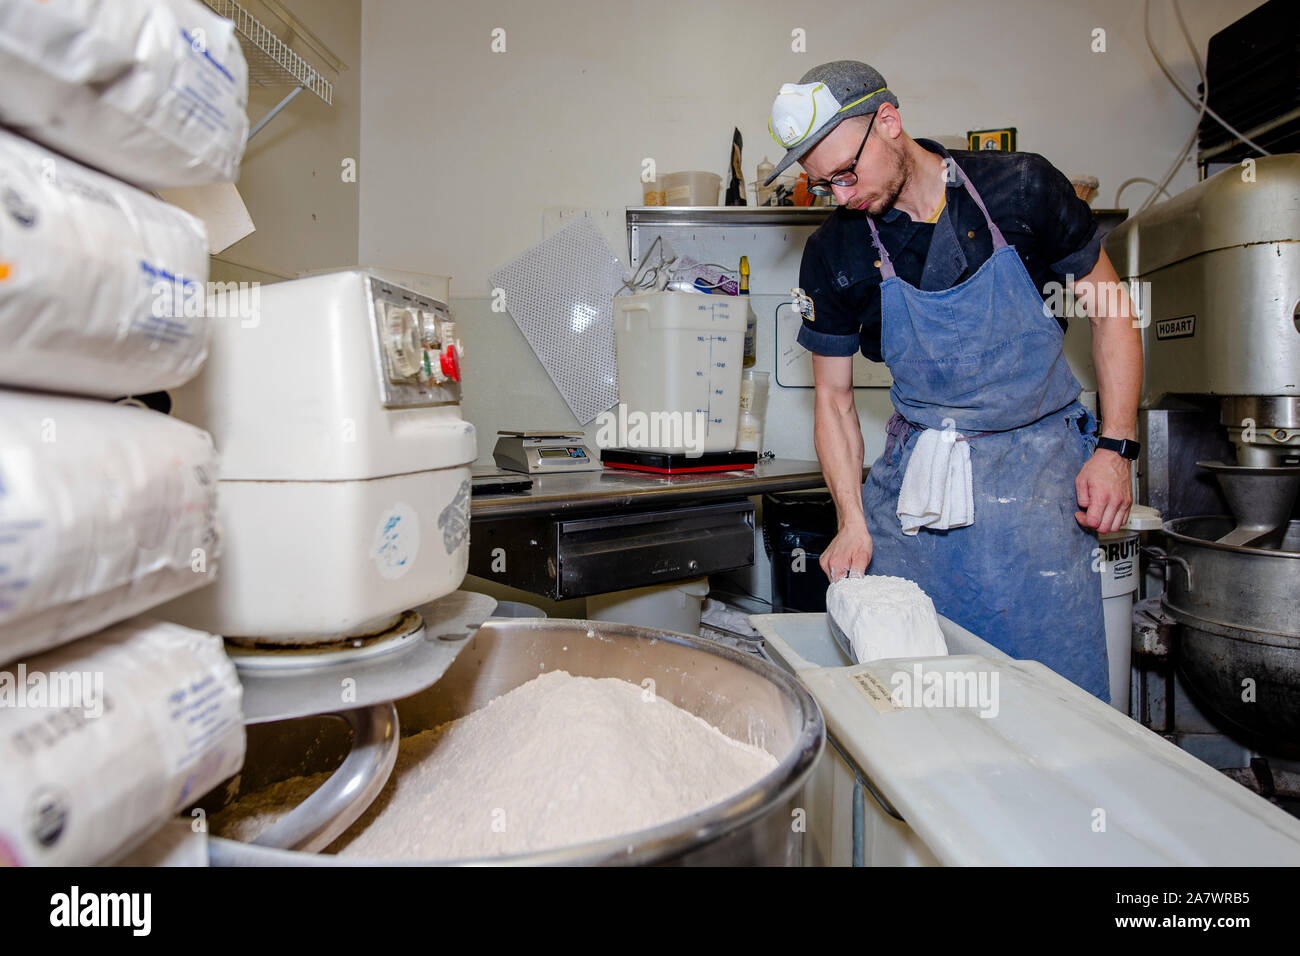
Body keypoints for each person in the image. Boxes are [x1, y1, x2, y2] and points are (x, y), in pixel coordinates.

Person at [763, 61, 1142, 700]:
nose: (842, 196)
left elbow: (1112, 309)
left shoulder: (1021, 189)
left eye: (847, 173)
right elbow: (832, 399)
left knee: (1053, 704)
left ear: (889, 121)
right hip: (919, 497)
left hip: (1039, 489)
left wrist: (1115, 447)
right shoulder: (835, 252)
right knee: (912, 702)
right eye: (823, 183)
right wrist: (851, 519)